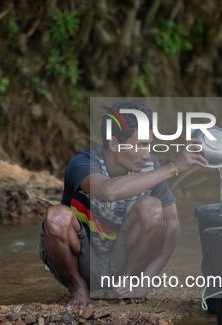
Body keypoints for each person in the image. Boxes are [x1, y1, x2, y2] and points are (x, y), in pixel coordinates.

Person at [39, 99, 208, 307]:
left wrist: (145, 281)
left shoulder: (150, 167)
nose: (147, 154)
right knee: (56, 216)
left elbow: (173, 226)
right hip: (83, 260)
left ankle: (126, 283)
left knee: (153, 208)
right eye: (141, 145)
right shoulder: (83, 162)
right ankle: (79, 287)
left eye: (150, 145)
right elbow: (109, 191)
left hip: (122, 261)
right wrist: (173, 167)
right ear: (114, 144)